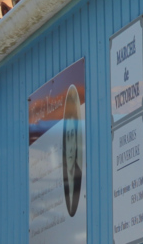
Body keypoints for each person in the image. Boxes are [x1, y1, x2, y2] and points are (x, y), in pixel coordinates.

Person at [61, 84, 83, 217]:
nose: (70, 145)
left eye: (72, 136)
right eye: (67, 137)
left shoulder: (80, 175)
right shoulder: (61, 181)